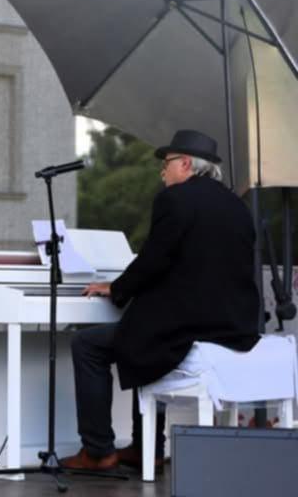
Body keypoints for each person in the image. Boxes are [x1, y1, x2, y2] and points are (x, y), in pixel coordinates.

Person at [60, 129, 261, 472]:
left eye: (166, 164)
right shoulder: (237, 206)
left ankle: (97, 450)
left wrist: (117, 288)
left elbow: (154, 259)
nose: (162, 172)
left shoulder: (175, 199)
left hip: (189, 329)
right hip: (233, 329)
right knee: (141, 328)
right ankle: (147, 449)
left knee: (88, 345)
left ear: (186, 164)